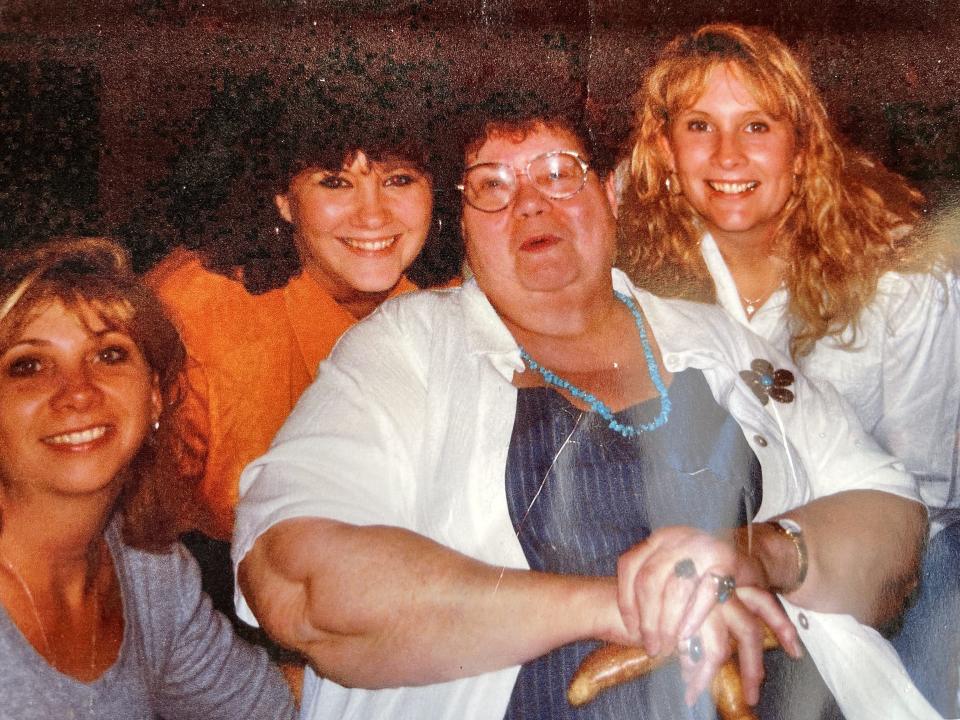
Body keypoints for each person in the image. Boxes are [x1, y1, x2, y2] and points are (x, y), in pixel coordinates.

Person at [231, 110, 936, 720]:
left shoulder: (715, 338)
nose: (531, 204)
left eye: (558, 172)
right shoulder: (406, 347)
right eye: (491, 186)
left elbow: (892, 513)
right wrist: (623, 608)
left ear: (607, 194)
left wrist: (759, 552)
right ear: (463, 226)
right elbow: (294, 576)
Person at [618, 22, 960, 714]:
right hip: (711, 557)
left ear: (802, 147)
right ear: (664, 147)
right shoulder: (633, 251)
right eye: (698, 126)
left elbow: (926, 493)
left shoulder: (903, 282)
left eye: (757, 127)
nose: (726, 156)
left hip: (894, 560)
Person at [148, 85, 461, 541]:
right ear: (282, 199)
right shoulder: (194, 313)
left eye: (399, 180)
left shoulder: (458, 304)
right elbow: (140, 531)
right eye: (335, 182)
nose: (373, 216)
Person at [0, 237, 295, 719]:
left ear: (155, 395)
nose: (77, 393)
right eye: (29, 365)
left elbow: (267, 709)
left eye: (109, 355)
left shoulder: (148, 572)